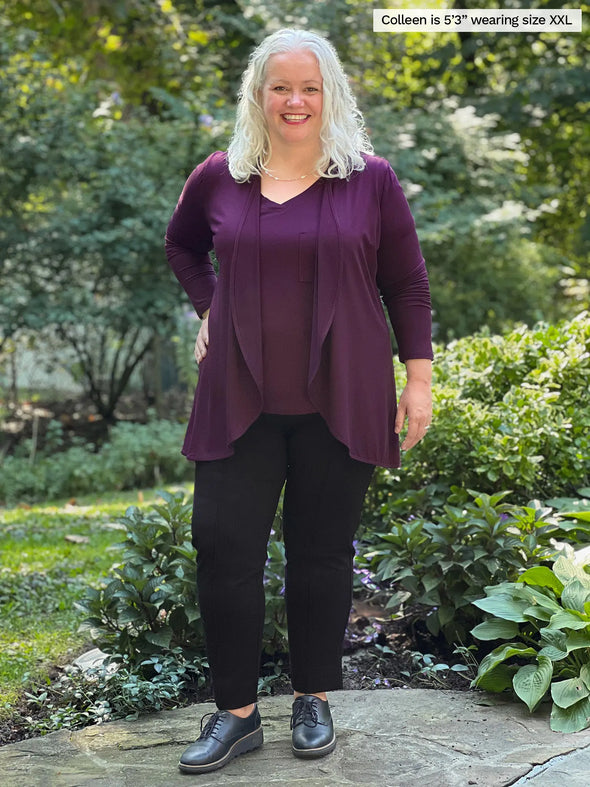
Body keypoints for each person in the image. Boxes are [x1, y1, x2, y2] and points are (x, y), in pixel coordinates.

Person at [165, 27, 433, 775]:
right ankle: (237, 714)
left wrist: (419, 378)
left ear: (330, 95)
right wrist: (210, 306)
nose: (295, 100)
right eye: (280, 86)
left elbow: (406, 282)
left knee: (320, 555)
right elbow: (182, 245)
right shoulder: (220, 176)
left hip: (341, 395)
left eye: (309, 88)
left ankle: (313, 696)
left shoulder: (369, 178)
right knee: (223, 549)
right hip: (237, 397)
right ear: (259, 94)